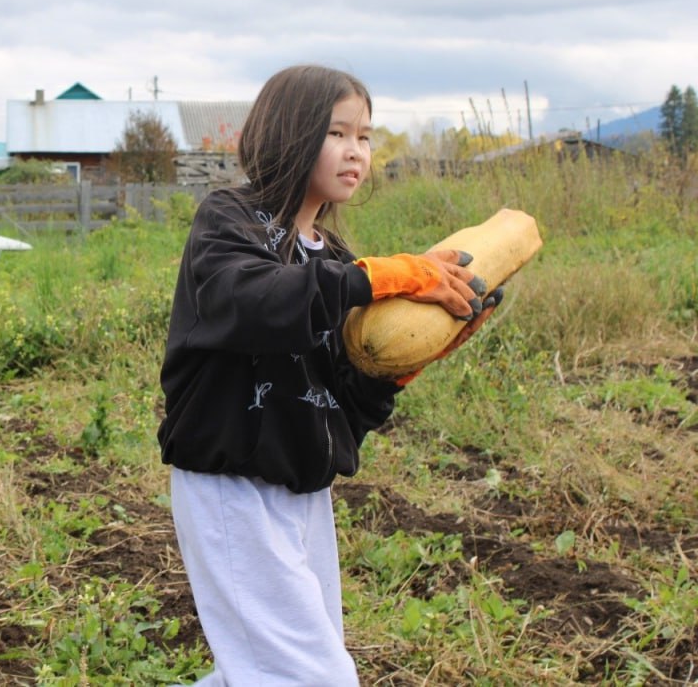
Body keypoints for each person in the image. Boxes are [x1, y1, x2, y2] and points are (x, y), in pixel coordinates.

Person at [158, 65, 500, 685]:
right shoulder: (229, 221)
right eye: (337, 133)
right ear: (289, 133)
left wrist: (405, 364)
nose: (356, 151)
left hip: (301, 487)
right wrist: (380, 276)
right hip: (230, 485)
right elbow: (256, 301)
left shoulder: (334, 258)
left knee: (274, 667)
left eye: (365, 136)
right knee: (309, 675)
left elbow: (343, 398)